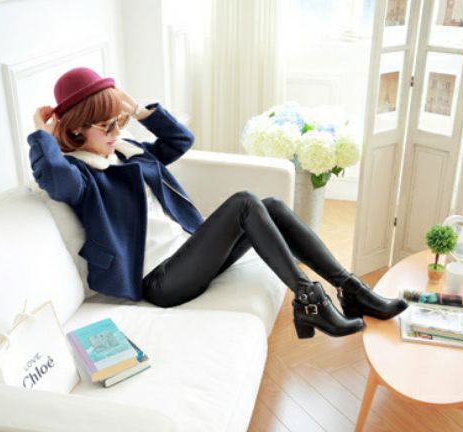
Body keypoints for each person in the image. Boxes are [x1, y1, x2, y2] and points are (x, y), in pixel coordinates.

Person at [28, 67, 407, 339]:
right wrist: (42, 132)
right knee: (245, 203)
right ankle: (310, 300)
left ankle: (350, 289)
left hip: (186, 253)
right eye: (106, 126)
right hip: (159, 281)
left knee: (272, 206)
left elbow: (180, 140)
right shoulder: (81, 175)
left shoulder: (127, 151)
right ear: (76, 128)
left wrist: (139, 110)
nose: (116, 132)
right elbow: (55, 180)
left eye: (119, 122)